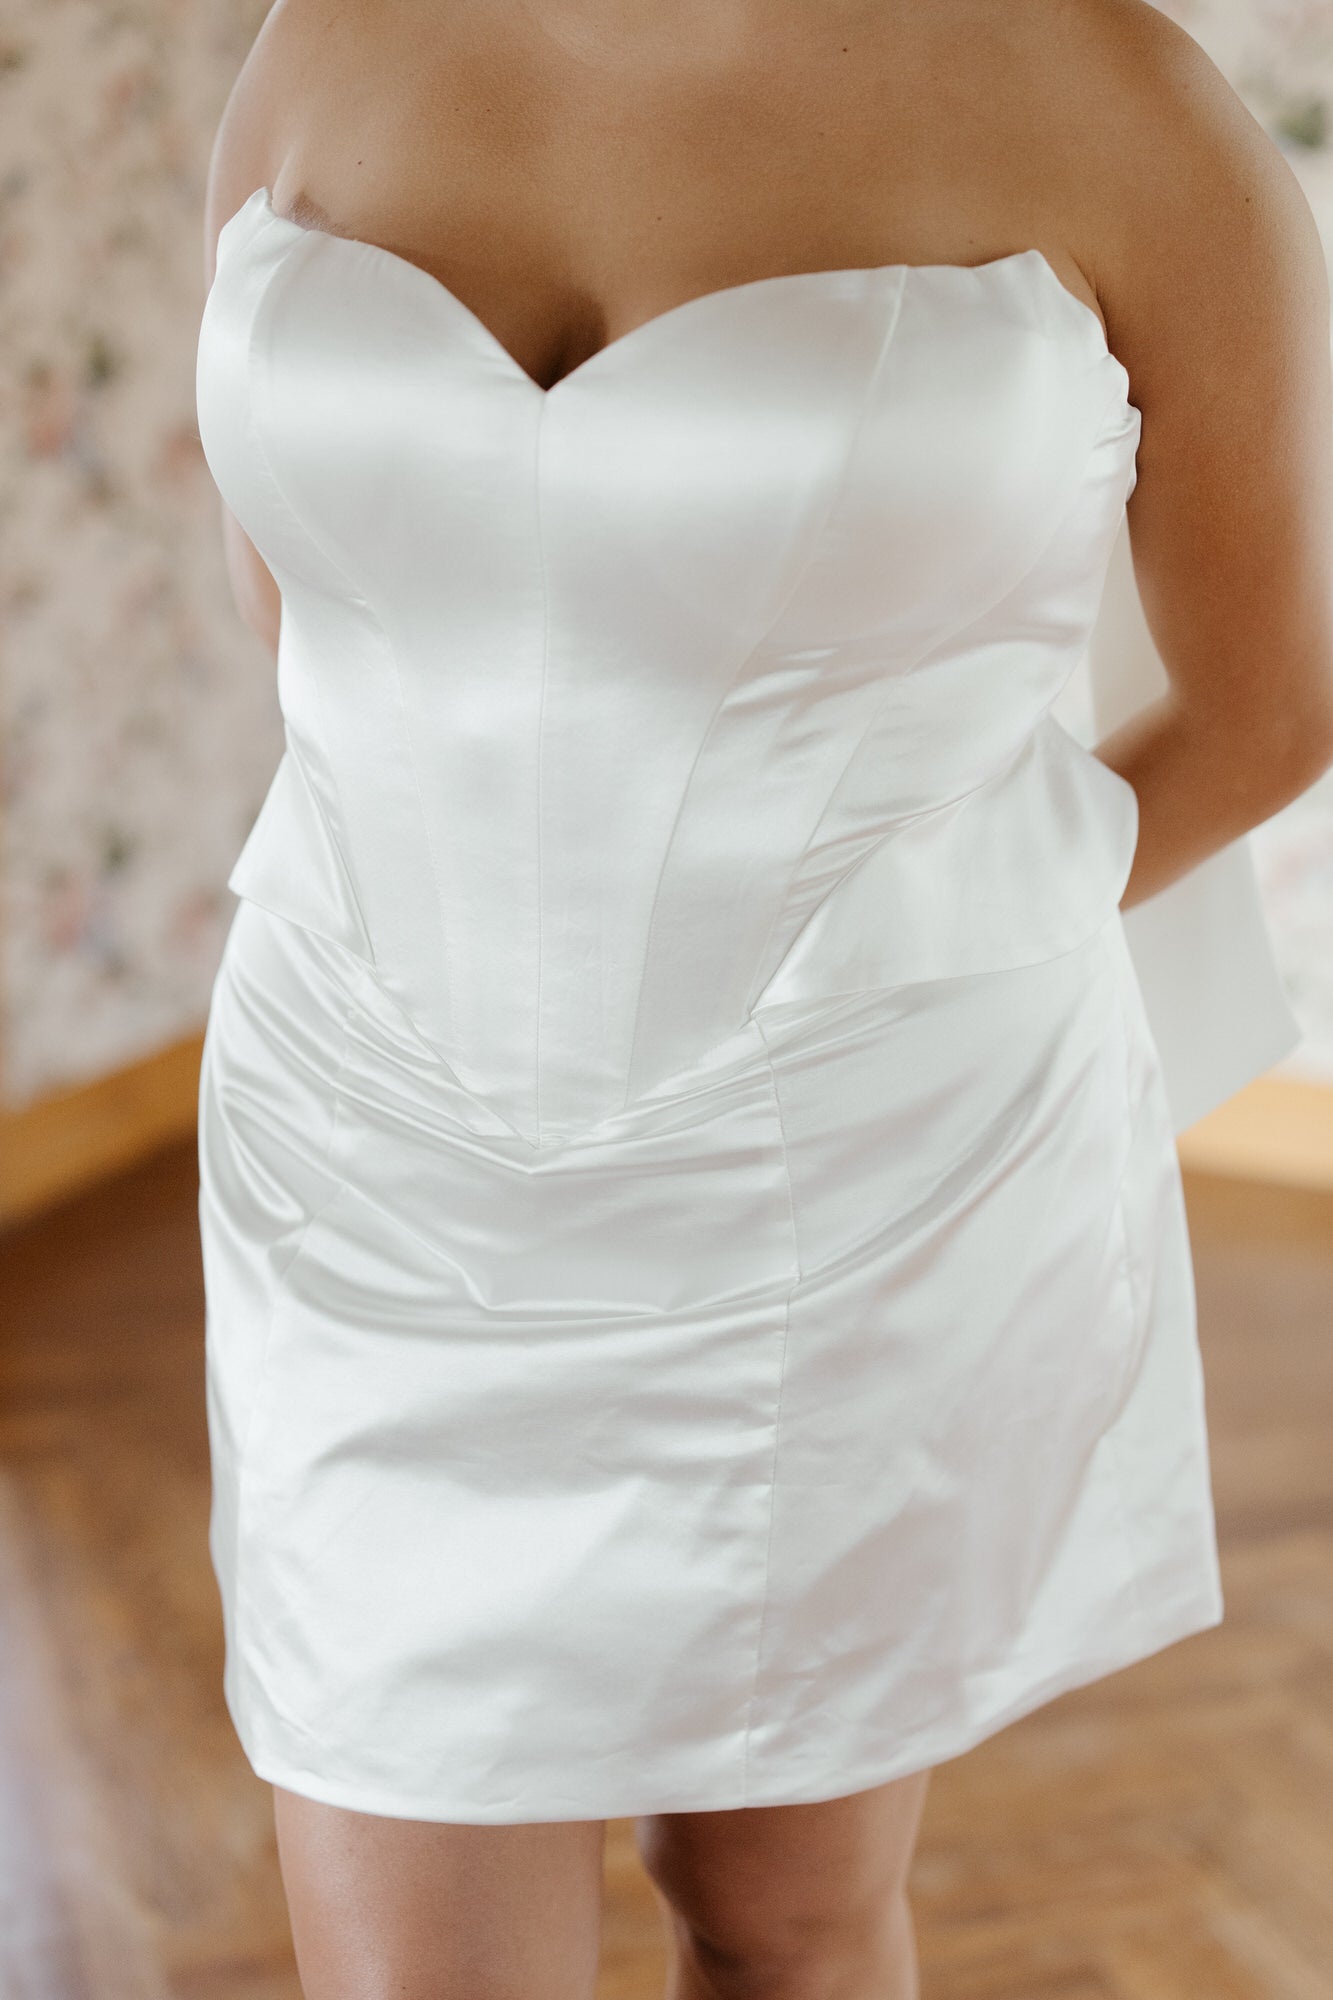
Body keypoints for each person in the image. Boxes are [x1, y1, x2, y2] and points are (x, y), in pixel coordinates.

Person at [193, 1, 1333, 1993]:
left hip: (852, 1168)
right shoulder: (326, 34)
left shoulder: (1108, 96)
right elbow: (310, 599)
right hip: (356, 1149)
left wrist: (920, 929)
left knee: (776, 1915)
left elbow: (1277, 694)